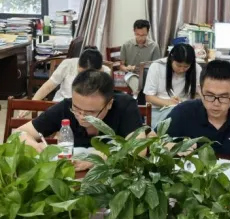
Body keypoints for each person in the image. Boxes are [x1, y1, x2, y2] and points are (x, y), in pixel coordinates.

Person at [14, 70, 143, 171]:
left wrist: (99, 158)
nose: (81, 116)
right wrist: (35, 146)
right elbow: (19, 133)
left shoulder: (124, 106)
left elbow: (139, 149)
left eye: (90, 112)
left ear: (109, 104)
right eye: (76, 109)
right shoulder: (65, 108)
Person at [142, 43, 202, 128]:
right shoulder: (157, 67)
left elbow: (198, 95)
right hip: (159, 110)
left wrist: (185, 103)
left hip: (186, 109)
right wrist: (169, 103)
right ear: (171, 59)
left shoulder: (196, 68)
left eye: (186, 67)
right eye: (178, 65)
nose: (182, 69)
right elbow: (149, 97)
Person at [31, 48, 110, 104]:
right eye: (82, 73)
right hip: (61, 104)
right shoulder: (68, 64)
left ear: (100, 69)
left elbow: (103, 100)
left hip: (87, 110)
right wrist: (32, 104)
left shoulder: (105, 73)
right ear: (78, 64)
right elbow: (49, 86)